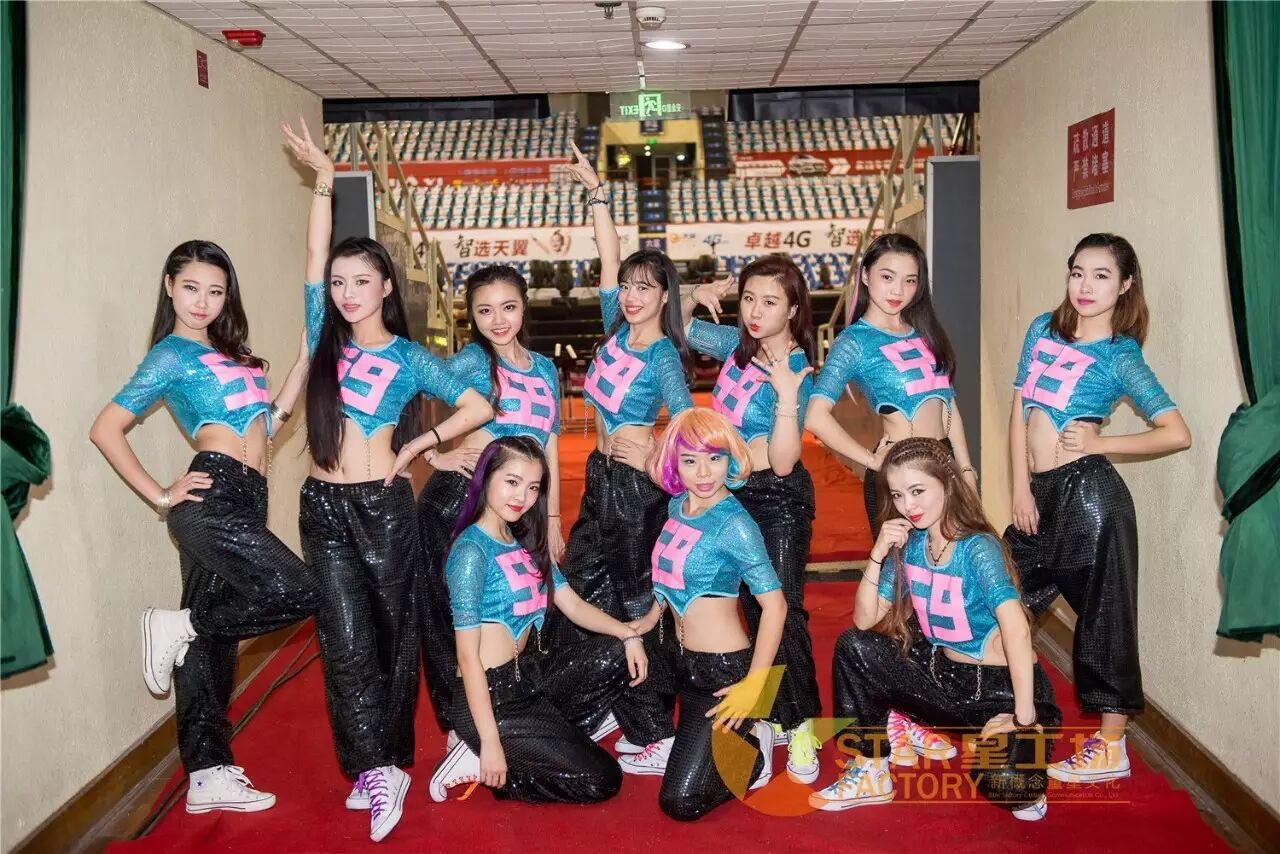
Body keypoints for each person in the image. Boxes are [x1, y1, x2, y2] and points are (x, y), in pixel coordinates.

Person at [283, 119, 493, 842]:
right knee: (343, 640)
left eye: (360, 282)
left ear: (385, 287)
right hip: (322, 506)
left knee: (392, 637)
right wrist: (323, 182)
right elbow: (313, 256)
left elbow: (478, 405)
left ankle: (389, 760)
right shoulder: (323, 335)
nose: (346, 292)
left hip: (383, 506)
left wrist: (422, 448)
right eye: (339, 283)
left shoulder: (408, 356)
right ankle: (374, 769)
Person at [90, 239, 315, 814]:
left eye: (215, 291)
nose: (202, 301)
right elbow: (106, 428)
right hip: (211, 494)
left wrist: (302, 364)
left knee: (210, 645)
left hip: (248, 495)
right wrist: (162, 495)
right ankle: (180, 624)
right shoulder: (170, 355)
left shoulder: (234, 356)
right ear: (169, 286)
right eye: (191, 287)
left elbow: (268, 424)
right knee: (299, 590)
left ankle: (208, 772)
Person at [1003, 233, 1190, 784]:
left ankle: (1111, 746)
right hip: (1036, 495)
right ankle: (1004, 710)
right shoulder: (1043, 328)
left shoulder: (1121, 354)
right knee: (998, 596)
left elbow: (1175, 432)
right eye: (1078, 272)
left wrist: (1102, 442)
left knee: (1105, 617)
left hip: (1091, 500)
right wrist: (1020, 487)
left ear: (1125, 285)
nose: (1085, 286)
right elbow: (1019, 407)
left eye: (1102, 275)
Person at [810, 438, 1061, 820]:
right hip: (945, 679)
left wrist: (1023, 718)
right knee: (855, 646)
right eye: (897, 495)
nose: (907, 505)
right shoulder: (910, 544)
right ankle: (872, 770)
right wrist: (877, 554)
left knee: (1010, 786)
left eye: (917, 491)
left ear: (947, 483)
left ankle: (1019, 755)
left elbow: (1018, 629)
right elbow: (864, 620)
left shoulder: (977, 546)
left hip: (1001, 691)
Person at [548, 141, 694, 771]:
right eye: (629, 287)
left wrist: (656, 452)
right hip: (599, 476)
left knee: (637, 597)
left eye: (645, 289)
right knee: (583, 580)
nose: (632, 296)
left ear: (665, 297)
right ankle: (605, 697)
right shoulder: (615, 328)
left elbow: (687, 420)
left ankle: (653, 729)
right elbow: (608, 258)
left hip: (636, 491)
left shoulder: (662, 354)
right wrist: (597, 194)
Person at [426, 437, 648, 804]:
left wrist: (628, 634)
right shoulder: (471, 552)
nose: (523, 497)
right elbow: (467, 658)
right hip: (491, 700)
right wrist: (490, 741)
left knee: (614, 652)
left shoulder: (524, 541)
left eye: (532, 487)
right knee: (603, 780)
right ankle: (484, 757)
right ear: (486, 478)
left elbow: (573, 605)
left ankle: (533, 746)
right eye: (512, 482)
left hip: (527, 680)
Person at [680, 256, 823, 783]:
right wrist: (695, 294)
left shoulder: (795, 368)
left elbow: (783, 462)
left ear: (793, 310)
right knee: (750, 607)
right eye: (748, 299)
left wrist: (786, 396)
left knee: (782, 609)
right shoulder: (736, 346)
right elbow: (673, 323)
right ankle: (774, 712)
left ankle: (802, 725)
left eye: (770, 302)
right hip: (731, 497)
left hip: (778, 498)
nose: (756, 312)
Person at [408, 263, 564, 746]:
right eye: (485, 311)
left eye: (508, 307)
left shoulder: (545, 369)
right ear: (471, 316)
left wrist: (552, 516)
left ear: (524, 307)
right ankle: (459, 725)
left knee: (516, 606)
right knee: (450, 616)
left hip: (519, 507)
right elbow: (409, 386)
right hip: (456, 502)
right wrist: (436, 454)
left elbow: (550, 445)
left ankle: (505, 709)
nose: (498, 320)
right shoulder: (475, 361)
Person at [636, 407, 787, 820]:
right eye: (690, 461)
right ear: (674, 463)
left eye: (715, 458)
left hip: (724, 674)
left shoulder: (735, 525)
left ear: (730, 459)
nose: (704, 472)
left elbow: (775, 605)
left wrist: (753, 685)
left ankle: (756, 748)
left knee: (679, 802)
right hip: (682, 663)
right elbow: (670, 576)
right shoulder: (677, 506)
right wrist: (648, 619)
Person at [806, 233, 977, 537]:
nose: (898, 290)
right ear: (865, 276)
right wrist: (870, 460)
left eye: (910, 281)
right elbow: (814, 415)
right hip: (900, 475)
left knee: (952, 562)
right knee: (902, 566)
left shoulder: (925, 332)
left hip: (944, 468)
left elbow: (948, 406)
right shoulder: (853, 342)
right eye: (887, 277)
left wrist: (965, 470)